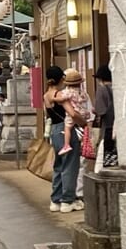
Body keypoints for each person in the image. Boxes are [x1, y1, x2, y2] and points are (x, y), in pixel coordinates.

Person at [43, 65, 82, 213]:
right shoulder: (60, 95)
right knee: (70, 165)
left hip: (54, 130)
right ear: (62, 79)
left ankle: (56, 200)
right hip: (65, 130)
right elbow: (72, 113)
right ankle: (68, 200)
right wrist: (84, 123)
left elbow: (48, 115)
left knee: (58, 166)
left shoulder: (46, 95)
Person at [54, 68, 93, 157]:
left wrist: (55, 99)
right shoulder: (83, 93)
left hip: (74, 115)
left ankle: (66, 145)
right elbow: (89, 108)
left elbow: (64, 102)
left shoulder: (66, 92)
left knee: (67, 127)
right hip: (83, 115)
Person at [93, 63, 118, 167]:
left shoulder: (102, 90)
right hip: (118, 126)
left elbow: (100, 110)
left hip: (107, 127)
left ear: (100, 78)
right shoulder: (118, 88)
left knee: (105, 157)